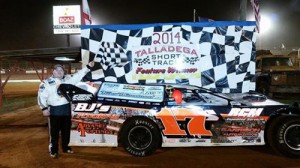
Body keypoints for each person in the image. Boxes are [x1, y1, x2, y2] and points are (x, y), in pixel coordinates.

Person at [37, 61, 94, 159]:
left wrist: (88, 67)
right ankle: (53, 150)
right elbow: (41, 96)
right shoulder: (46, 83)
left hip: (66, 110)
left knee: (66, 131)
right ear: (53, 72)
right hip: (54, 111)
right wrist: (44, 108)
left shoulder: (68, 79)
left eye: (61, 70)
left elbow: (79, 75)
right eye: (57, 70)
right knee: (54, 133)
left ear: (64, 72)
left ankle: (65, 147)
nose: (59, 72)